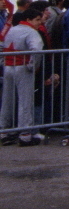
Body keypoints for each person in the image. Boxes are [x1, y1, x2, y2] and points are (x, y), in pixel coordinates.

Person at [2, 10, 45, 145]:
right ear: (29, 20)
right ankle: (25, 135)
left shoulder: (12, 29)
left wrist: (3, 62)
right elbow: (37, 49)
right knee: (25, 101)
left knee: (7, 100)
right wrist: (33, 65)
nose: (40, 22)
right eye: (37, 19)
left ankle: (4, 131)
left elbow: (2, 45)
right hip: (22, 67)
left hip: (8, 67)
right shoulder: (31, 32)